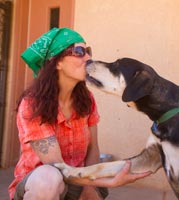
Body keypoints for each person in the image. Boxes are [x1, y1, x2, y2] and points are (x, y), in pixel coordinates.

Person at [8, 27, 150, 200]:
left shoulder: (87, 99)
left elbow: (93, 148)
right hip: (40, 185)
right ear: (57, 61)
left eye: (88, 51)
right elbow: (57, 167)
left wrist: (90, 188)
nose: (89, 57)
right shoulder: (32, 104)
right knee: (48, 178)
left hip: (80, 182)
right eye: (79, 51)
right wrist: (109, 182)